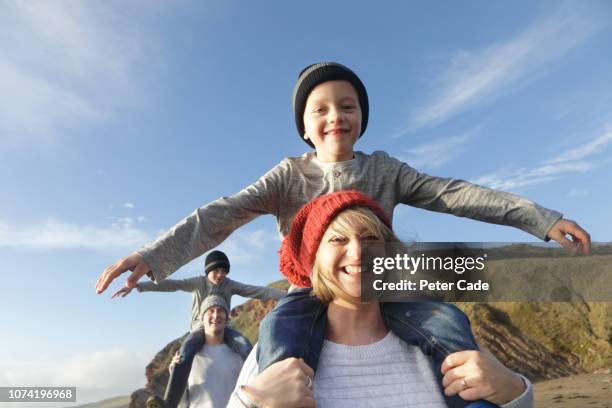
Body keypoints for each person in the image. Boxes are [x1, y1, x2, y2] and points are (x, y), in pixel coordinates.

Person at [96, 61, 590, 296]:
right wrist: (152, 255)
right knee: (276, 352)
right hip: (309, 290)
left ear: (361, 117)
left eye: (347, 106)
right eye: (321, 109)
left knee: (449, 327)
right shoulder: (288, 176)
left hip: (381, 285)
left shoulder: (384, 170)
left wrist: (541, 219)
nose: (336, 116)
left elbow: (456, 195)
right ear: (305, 127)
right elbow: (220, 215)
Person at [228, 191, 532, 408]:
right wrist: (252, 404)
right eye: (338, 239)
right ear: (314, 261)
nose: (359, 252)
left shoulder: (441, 344)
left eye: (371, 238)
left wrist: (515, 393)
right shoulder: (270, 355)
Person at [113, 250, 285, 408]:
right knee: (184, 356)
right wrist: (139, 286)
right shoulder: (197, 283)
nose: (220, 275)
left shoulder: (229, 285)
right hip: (198, 330)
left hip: (222, 327)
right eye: (216, 271)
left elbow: (255, 291)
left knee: (246, 347)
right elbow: (173, 285)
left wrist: (287, 295)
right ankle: (169, 404)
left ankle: (265, 390)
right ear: (207, 270)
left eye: (224, 272)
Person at [149, 295, 250, 408]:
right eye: (210, 311)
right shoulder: (189, 358)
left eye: (220, 311)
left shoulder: (239, 356)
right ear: (202, 318)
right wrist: (174, 373)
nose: (216, 315)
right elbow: (183, 404)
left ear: (226, 317)